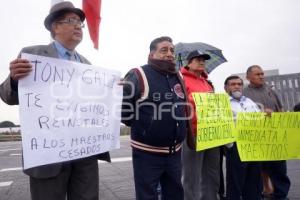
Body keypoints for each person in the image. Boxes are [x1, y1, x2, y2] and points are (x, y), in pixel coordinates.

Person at [0, 2, 110, 200]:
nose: (78, 26)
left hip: (83, 154)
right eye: (71, 20)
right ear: (55, 26)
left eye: (80, 23)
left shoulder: (88, 65)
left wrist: (111, 91)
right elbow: (7, 96)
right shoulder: (32, 55)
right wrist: (14, 81)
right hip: (47, 156)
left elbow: (95, 105)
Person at [121, 36, 188, 200]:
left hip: (174, 153)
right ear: (152, 54)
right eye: (164, 50)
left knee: (175, 194)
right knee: (147, 195)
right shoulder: (138, 74)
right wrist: (146, 127)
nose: (170, 54)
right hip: (147, 154)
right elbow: (124, 110)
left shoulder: (177, 76)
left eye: (172, 50)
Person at [244, 65, 290, 200]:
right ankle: (265, 189)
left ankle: (281, 194)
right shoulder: (245, 93)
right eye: (257, 74)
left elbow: (280, 108)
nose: (261, 76)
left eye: (262, 74)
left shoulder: (270, 90)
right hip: (258, 136)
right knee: (262, 166)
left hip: (275, 135)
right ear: (248, 77)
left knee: (279, 167)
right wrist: (261, 114)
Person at [180, 50, 220, 200]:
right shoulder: (180, 79)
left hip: (212, 133)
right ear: (189, 63)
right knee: (191, 175)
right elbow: (180, 103)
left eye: (204, 60)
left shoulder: (207, 83)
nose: (202, 62)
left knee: (212, 174)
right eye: (198, 59)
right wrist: (199, 99)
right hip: (193, 132)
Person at [224, 75, 262, 200]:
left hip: (253, 145)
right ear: (226, 87)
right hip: (235, 146)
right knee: (235, 180)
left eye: (239, 84)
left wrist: (266, 115)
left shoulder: (249, 102)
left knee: (253, 179)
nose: (236, 86)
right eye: (233, 84)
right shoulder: (222, 104)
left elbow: (260, 119)